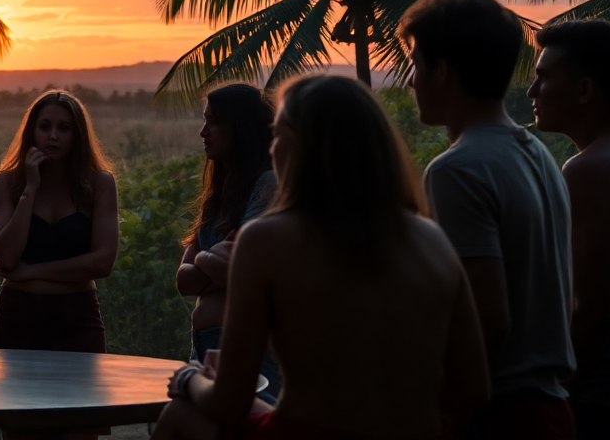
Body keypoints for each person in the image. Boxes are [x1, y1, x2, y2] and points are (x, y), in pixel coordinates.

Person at [153, 75, 490, 440]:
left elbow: (228, 402)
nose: (271, 149)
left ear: (301, 148)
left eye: (278, 135)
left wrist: (189, 379)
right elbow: (473, 388)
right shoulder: (431, 238)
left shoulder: (268, 238)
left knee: (179, 412)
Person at [400, 0, 576, 439]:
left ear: (442, 71)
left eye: (415, 66)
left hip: (501, 412)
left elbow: (485, 319)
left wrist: (449, 415)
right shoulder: (534, 152)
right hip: (550, 405)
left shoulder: (458, 169)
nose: (410, 81)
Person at [529, 20, 610, 439]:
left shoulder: (591, 169)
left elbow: (592, 309)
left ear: (583, 90)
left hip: (609, 401)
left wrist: (560, 398)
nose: (532, 93)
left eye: (543, 78)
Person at [0, 91, 119, 440]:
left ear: (78, 135)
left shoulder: (99, 184)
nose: (53, 136)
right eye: (45, 127)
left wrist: (33, 271)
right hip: (19, 317)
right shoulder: (8, 183)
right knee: (19, 427)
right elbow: (6, 256)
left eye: (64, 128)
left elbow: (103, 261)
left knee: (79, 428)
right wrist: (30, 189)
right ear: (32, 131)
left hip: (77, 317)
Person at [176, 84, 281, 401]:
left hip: (246, 345)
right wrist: (216, 263)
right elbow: (183, 279)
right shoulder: (220, 194)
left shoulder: (267, 184)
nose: (203, 132)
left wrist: (205, 261)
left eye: (213, 122)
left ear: (240, 128)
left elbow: (241, 269)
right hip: (205, 344)